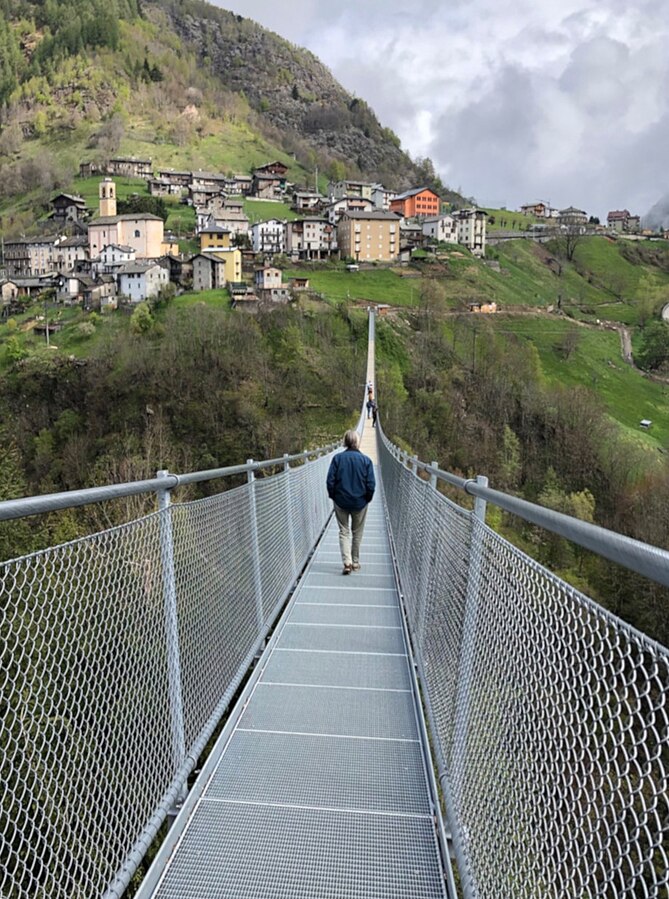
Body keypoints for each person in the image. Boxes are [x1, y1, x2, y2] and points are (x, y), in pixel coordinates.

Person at [326, 429, 375, 575]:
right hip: (360, 502)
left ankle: (346, 562)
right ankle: (355, 562)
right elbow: (371, 484)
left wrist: (333, 496)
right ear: (357, 442)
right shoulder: (366, 461)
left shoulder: (337, 459)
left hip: (341, 501)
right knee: (357, 532)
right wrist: (367, 499)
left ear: (345, 442)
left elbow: (330, 481)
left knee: (344, 531)